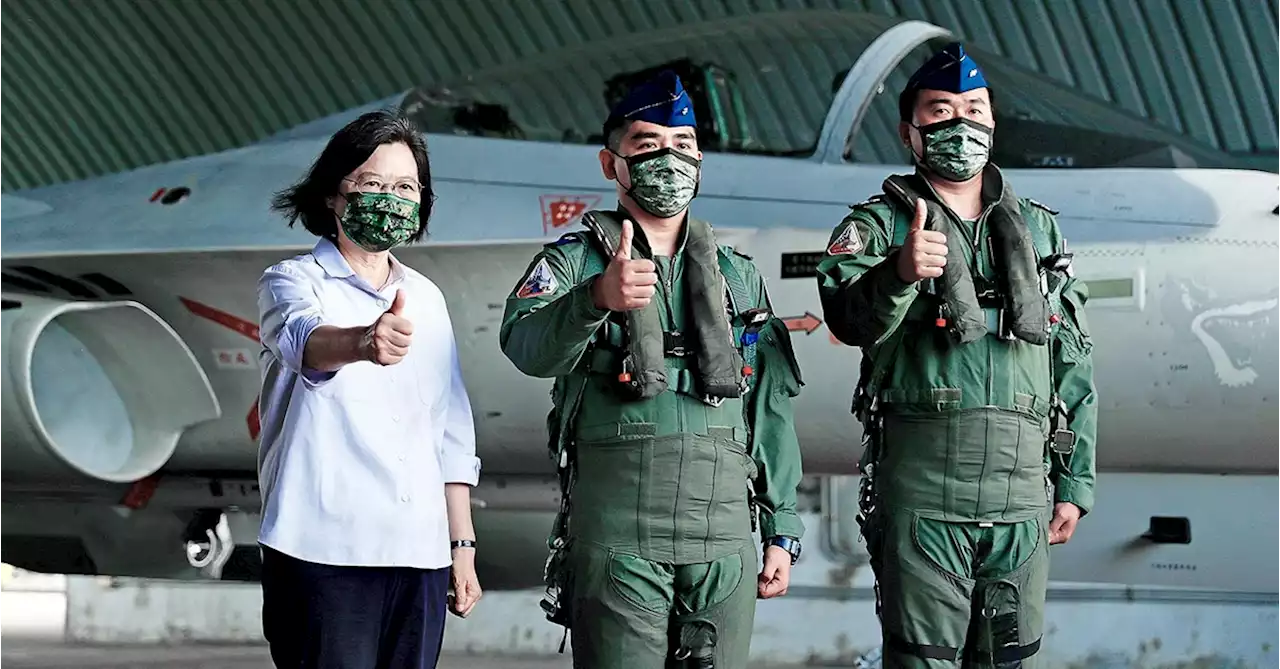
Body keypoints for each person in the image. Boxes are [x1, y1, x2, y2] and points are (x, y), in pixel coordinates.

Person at [500, 71, 806, 668]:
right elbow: (527, 348)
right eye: (646, 145)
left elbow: (768, 406)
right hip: (619, 539)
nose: (669, 160)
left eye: (684, 146)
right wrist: (594, 300)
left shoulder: (738, 276)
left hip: (722, 540)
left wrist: (782, 526)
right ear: (610, 163)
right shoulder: (572, 264)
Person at [815, 43, 1098, 667]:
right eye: (940, 111)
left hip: (1021, 493)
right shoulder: (876, 226)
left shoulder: (1041, 232)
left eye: (974, 109)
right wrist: (898, 273)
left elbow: (1071, 360)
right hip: (923, 490)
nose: (961, 124)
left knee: (1009, 656)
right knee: (924, 656)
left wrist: (1074, 482)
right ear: (909, 132)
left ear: (993, 123)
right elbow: (847, 318)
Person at [256, 110, 482, 669]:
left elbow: (449, 430)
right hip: (321, 550)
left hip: (418, 551)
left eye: (405, 187)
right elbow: (304, 341)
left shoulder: (426, 296)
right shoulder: (292, 281)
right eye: (372, 184)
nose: (391, 198)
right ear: (334, 195)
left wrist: (462, 548)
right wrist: (363, 341)